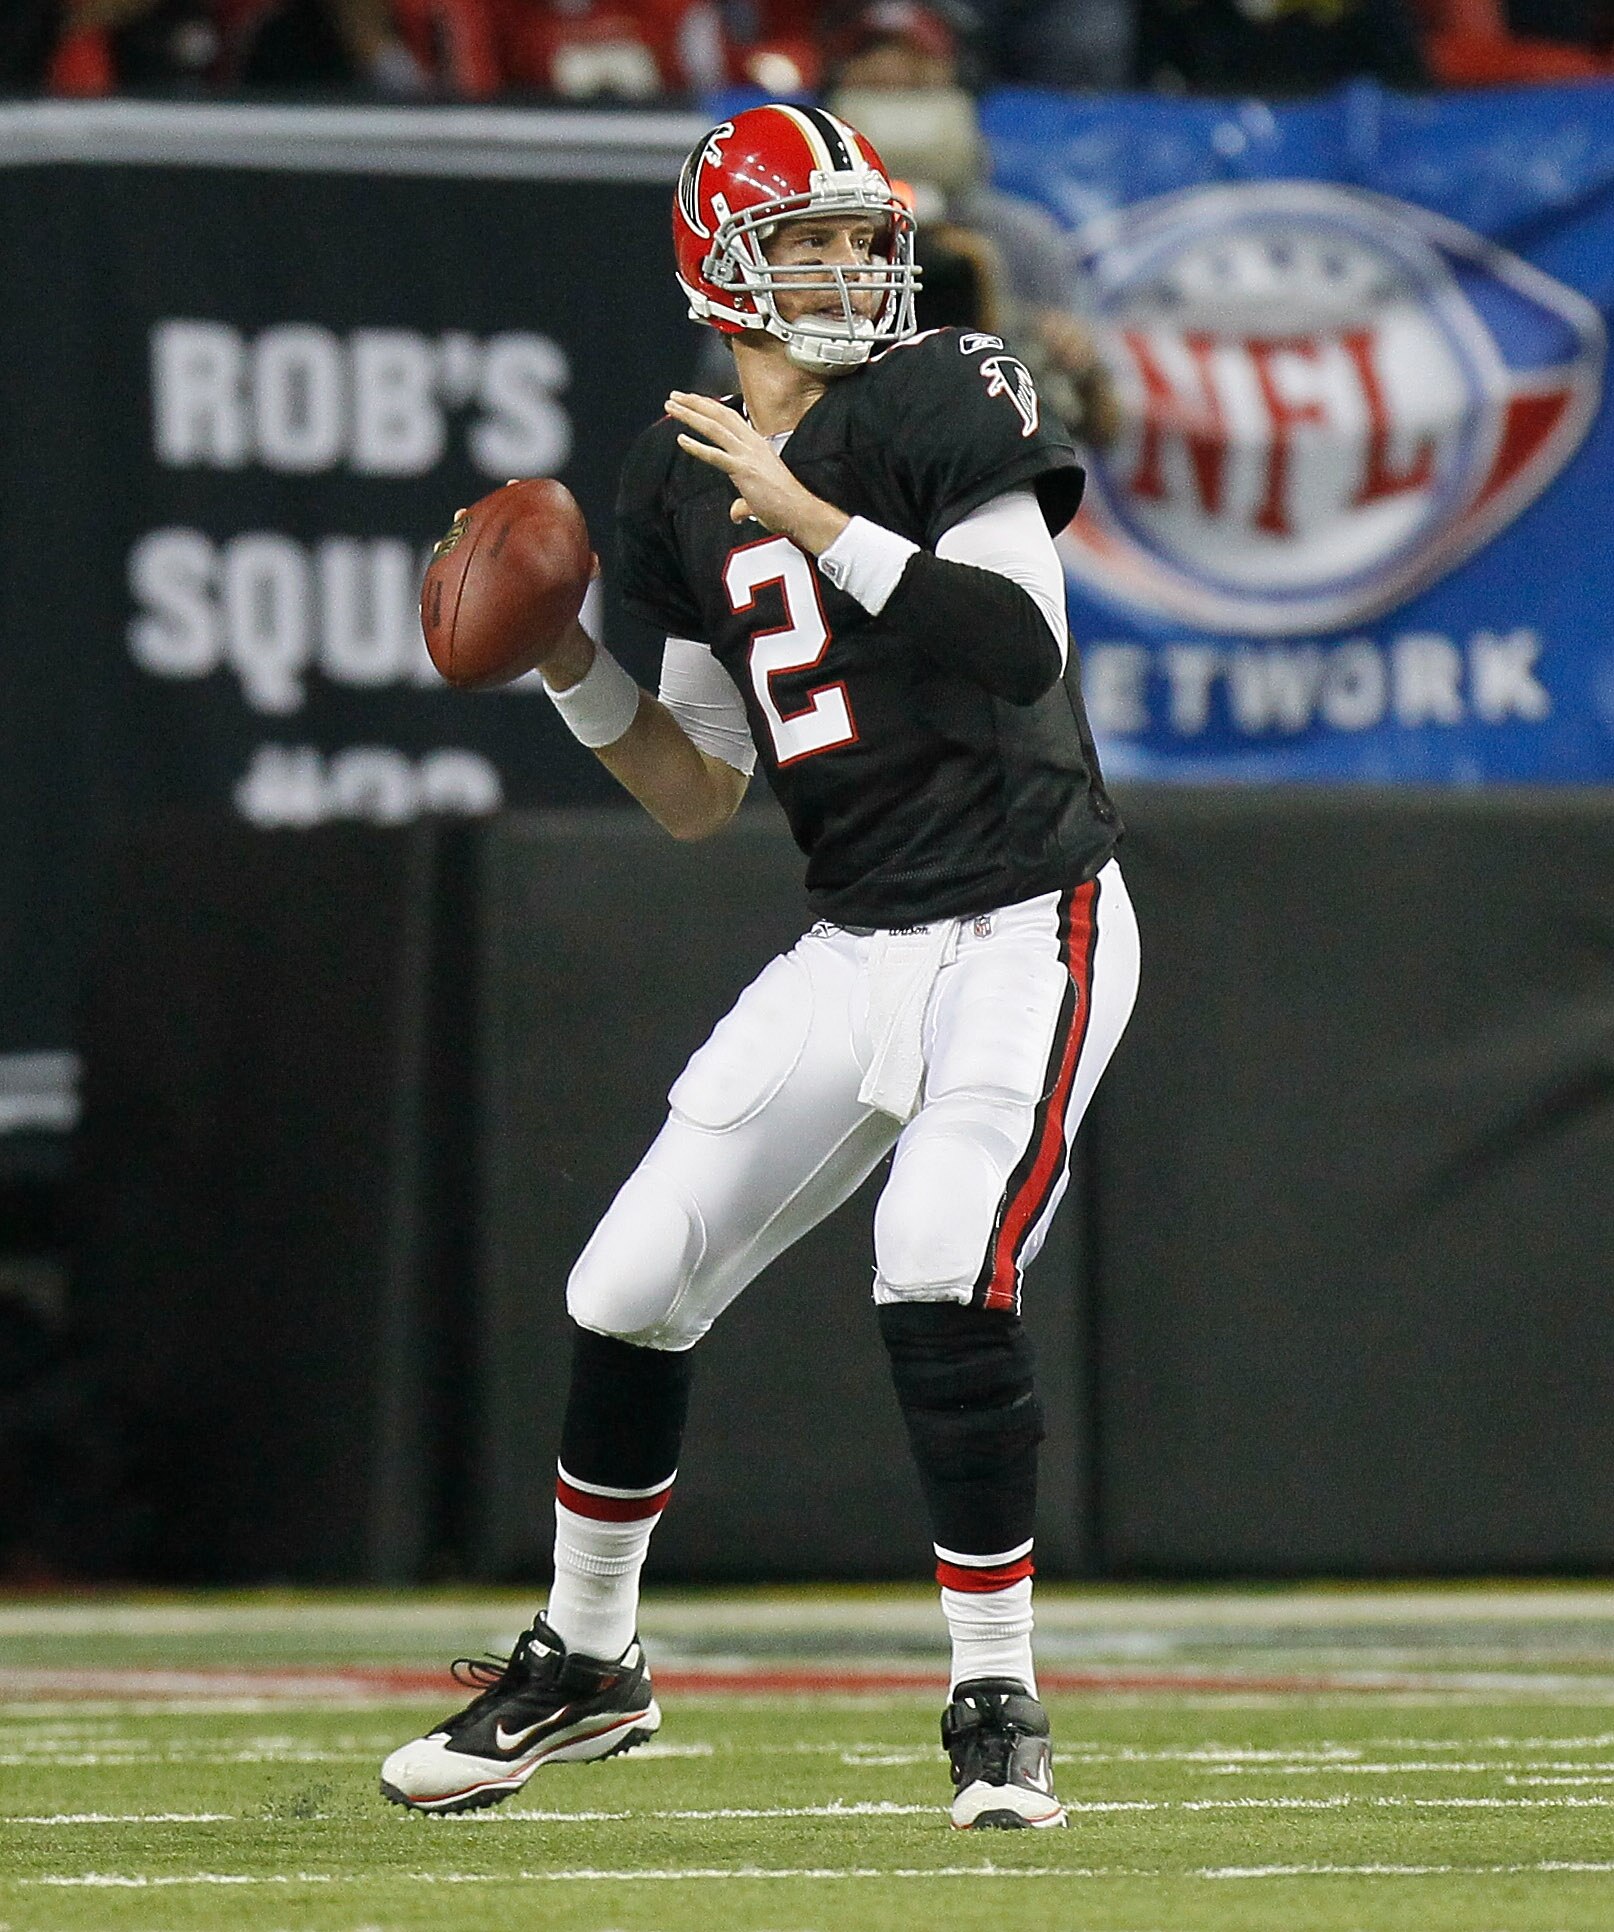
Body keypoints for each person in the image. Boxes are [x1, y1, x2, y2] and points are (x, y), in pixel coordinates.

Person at [380, 101, 1140, 1831]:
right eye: (810, 240)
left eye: (865, 237)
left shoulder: (947, 391)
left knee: (935, 1255)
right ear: (721, 264)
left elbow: (1017, 643)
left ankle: (996, 1696)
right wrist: (563, 659)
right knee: (625, 1282)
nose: (852, 267)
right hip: (858, 932)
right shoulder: (673, 476)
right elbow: (696, 790)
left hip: (1028, 914)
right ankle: (588, 1665)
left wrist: (810, 513)